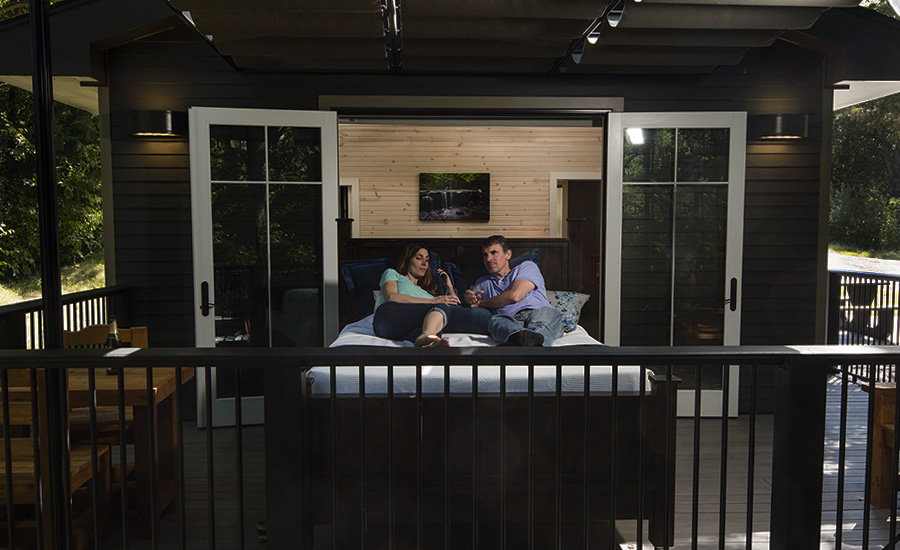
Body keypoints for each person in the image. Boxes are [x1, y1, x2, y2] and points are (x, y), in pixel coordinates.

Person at [373, 242, 492, 347]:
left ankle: (428, 339)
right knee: (442, 309)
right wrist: (435, 302)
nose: (424, 263)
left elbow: (454, 305)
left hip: (403, 329)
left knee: (437, 325)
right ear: (408, 259)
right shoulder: (393, 274)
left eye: (427, 260)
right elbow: (391, 297)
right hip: (388, 317)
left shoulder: (429, 294)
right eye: (419, 258)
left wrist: (449, 286)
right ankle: (428, 335)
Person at [464, 235, 563, 347]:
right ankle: (521, 339)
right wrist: (469, 299)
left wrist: (481, 303)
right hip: (510, 321)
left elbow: (515, 296)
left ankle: (528, 344)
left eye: (494, 253)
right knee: (495, 321)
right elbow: (473, 304)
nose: (488, 259)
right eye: (485, 255)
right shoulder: (482, 282)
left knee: (544, 319)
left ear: (508, 254)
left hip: (537, 312)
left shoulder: (527, 267)